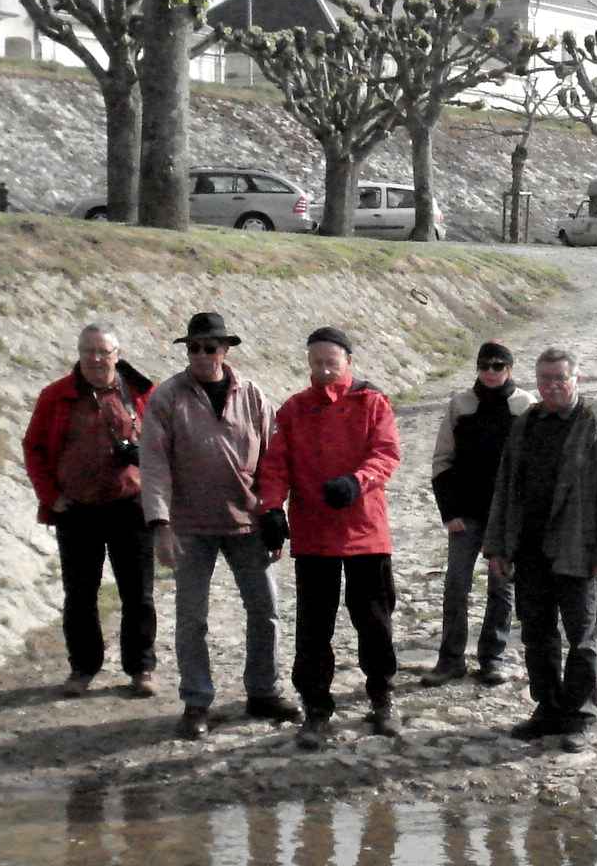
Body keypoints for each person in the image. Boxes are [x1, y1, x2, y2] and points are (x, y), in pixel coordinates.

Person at [142, 311, 302, 740]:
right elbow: (154, 463)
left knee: (265, 610)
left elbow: (274, 455)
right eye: (193, 347)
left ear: (225, 349)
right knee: (191, 617)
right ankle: (197, 702)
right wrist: (159, 522)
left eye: (209, 347)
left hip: (247, 522)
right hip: (189, 526)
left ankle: (264, 692)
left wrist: (274, 511)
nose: (201, 355)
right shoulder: (167, 398)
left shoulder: (252, 395)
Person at [257, 327, 403, 749]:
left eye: (331, 363)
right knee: (313, 627)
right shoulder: (294, 410)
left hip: (364, 532)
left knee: (374, 621)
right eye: (316, 363)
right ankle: (316, 708)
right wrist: (271, 507)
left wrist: (357, 482)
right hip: (314, 534)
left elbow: (387, 453)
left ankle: (381, 698)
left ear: (348, 362)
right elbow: (275, 465)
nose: (323, 370)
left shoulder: (371, 402)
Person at [483, 348, 597, 751]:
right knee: (537, 634)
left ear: (576, 379)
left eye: (559, 379)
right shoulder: (527, 423)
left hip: (577, 549)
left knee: (582, 636)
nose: (550, 387)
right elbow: (506, 487)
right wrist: (498, 545)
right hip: (529, 548)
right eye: (544, 379)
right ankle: (547, 709)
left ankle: (580, 714)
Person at [22, 322, 158, 696]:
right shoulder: (56, 396)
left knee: (139, 593)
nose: (96, 359)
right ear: (79, 353)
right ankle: (82, 668)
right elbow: (33, 447)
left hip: (130, 506)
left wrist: (143, 458)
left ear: (118, 354)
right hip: (77, 509)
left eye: (104, 352)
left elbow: (165, 443)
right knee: (80, 595)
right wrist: (51, 496)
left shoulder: (142, 393)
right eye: (88, 351)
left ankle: (141, 668)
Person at [424, 340, 533, 687]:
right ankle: (450, 658)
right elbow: (443, 461)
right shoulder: (460, 404)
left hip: (506, 516)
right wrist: (449, 510)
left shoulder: (526, 406)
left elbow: (534, 466)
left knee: (502, 588)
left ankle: (492, 657)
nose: (490, 372)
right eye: (484, 366)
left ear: (510, 369)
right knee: (456, 585)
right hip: (465, 513)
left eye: (498, 366)